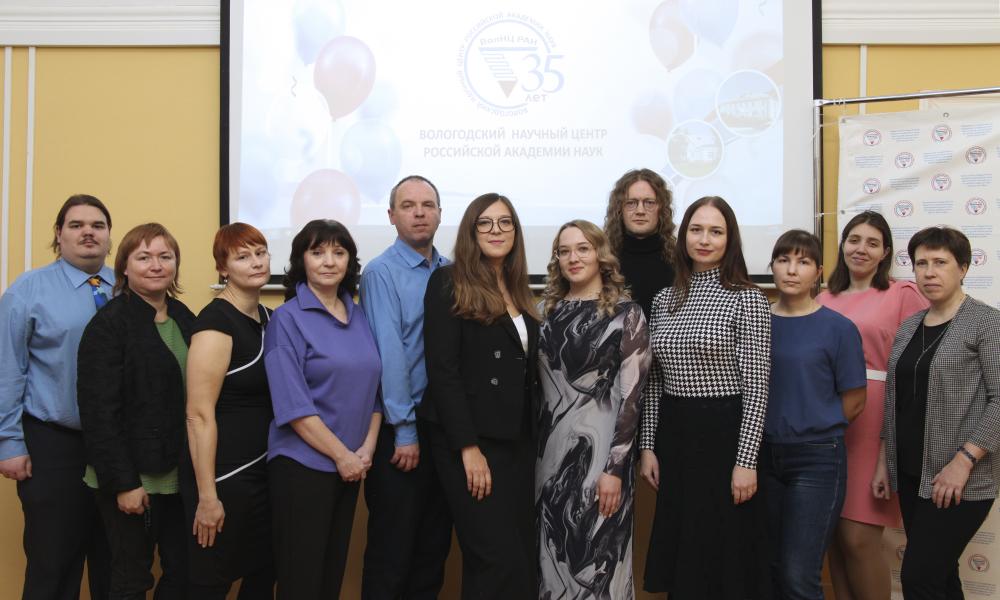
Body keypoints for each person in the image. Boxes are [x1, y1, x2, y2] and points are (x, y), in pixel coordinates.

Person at [639, 195, 772, 599]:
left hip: (725, 437)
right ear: (683, 236)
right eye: (696, 230)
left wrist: (746, 461)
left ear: (729, 240)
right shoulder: (664, 299)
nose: (704, 239)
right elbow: (654, 382)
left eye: (716, 231)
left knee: (724, 557)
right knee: (685, 552)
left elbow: (757, 387)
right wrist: (648, 446)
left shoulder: (747, 298)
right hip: (676, 438)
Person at [419, 193, 539, 599]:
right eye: (485, 223)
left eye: (505, 222)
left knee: (519, 557)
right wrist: (468, 449)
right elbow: (443, 371)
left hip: (517, 442)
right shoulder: (447, 281)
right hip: (470, 443)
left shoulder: (519, 288)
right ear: (471, 232)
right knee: (494, 558)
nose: (496, 230)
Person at [873, 226, 1000, 599]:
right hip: (912, 473)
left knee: (920, 578)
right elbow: (895, 400)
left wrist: (964, 461)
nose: (929, 272)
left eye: (940, 262)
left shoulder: (987, 322)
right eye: (921, 263)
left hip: (960, 477)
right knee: (941, 578)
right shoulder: (909, 326)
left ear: (963, 268)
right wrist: (883, 462)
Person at [0, 194, 112, 600]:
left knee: (114, 561)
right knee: (53, 563)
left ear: (109, 236)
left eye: (97, 226)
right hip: (53, 444)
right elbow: (8, 368)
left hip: (114, 447)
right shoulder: (28, 290)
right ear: (59, 234)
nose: (88, 233)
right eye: (76, 225)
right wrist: (9, 442)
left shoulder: (127, 287)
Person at [264, 219, 382, 600]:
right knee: (302, 583)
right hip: (303, 467)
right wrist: (342, 456)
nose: (329, 261)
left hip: (350, 467)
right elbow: (292, 405)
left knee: (330, 578)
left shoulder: (359, 315)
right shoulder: (287, 319)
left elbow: (375, 391)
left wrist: (366, 449)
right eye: (317, 252)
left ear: (350, 260)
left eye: (338, 252)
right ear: (302, 260)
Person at [78, 222, 196, 600]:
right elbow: (99, 413)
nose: (156, 265)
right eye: (144, 257)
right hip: (130, 476)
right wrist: (125, 483)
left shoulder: (185, 318)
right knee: (131, 579)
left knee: (185, 573)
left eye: (165, 256)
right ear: (124, 268)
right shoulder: (109, 325)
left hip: (179, 473)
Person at [536, 220, 651, 600]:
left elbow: (632, 399)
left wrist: (614, 470)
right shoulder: (543, 312)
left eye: (583, 248)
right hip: (548, 463)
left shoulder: (626, 314)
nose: (573, 257)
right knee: (553, 562)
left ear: (600, 255)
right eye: (564, 250)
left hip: (603, 463)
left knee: (598, 567)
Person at [817, 210, 928, 600]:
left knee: (859, 538)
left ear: (885, 253)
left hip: (876, 419)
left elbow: (917, 367)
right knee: (833, 539)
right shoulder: (823, 298)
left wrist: (888, 445)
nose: (861, 249)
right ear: (842, 245)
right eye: (854, 240)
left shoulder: (902, 294)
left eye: (872, 243)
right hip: (828, 420)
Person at [760, 230, 867, 599]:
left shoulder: (838, 328)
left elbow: (855, 401)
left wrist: (813, 424)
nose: (792, 270)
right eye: (783, 260)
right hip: (761, 457)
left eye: (803, 262)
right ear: (772, 266)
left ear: (818, 272)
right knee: (768, 569)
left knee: (798, 575)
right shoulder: (756, 322)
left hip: (816, 459)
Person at [359, 175, 452, 599]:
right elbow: (389, 354)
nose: (419, 213)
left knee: (432, 550)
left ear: (440, 213)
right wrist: (406, 430)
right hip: (403, 433)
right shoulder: (381, 273)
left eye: (427, 205)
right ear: (391, 215)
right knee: (392, 555)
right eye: (408, 206)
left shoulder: (452, 271)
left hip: (443, 430)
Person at [182, 223, 275, 599]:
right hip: (224, 477)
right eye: (242, 257)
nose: (256, 262)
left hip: (265, 472)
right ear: (223, 269)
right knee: (212, 582)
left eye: (261, 253)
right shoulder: (215, 323)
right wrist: (207, 496)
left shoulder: (270, 318)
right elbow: (198, 415)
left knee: (262, 576)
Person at [603, 168, 676, 317]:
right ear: (619, 209)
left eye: (649, 203)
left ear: (661, 209)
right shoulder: (603, 261)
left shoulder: (680, 260)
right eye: (631, 203)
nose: (640, 211)